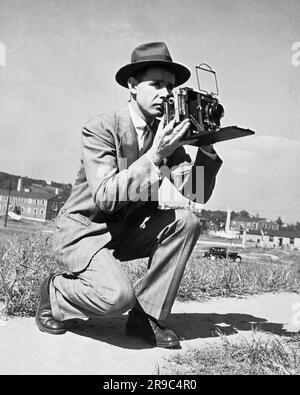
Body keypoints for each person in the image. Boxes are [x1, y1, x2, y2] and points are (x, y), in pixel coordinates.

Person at [35, 41, 222, 348]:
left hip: (127, 231)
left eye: (170, 87)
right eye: (157, 85)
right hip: (85, 231)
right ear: (133, 86)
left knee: (186, 221)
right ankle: (55, 292)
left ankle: (145, 318)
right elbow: (106, 196)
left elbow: (197, 192)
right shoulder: (102, 127)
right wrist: (156, 156)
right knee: (117, 297)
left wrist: (206, 145)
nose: (165, 94)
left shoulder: (166, 134)